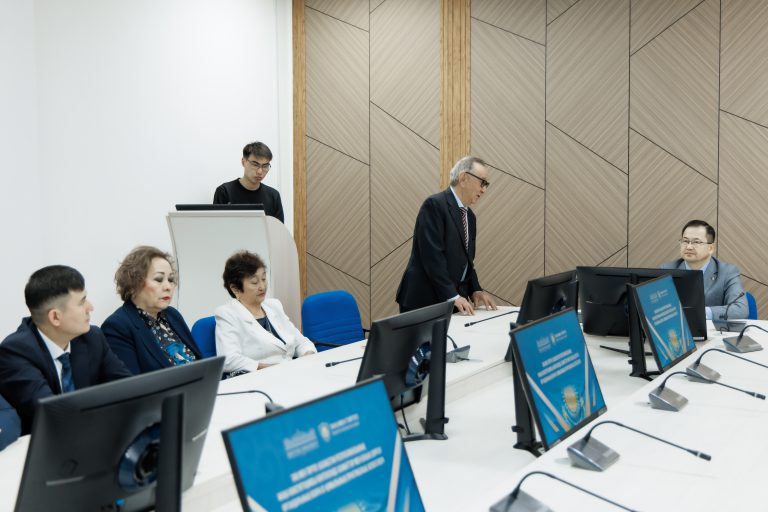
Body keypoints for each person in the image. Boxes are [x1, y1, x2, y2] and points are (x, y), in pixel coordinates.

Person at [0, 266, 131, 434]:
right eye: (82, 302)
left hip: (91, 434)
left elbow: (128, 389)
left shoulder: (92, 338)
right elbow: (54, 416)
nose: (90, 307)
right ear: (55, 317)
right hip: (44, 444)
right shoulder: (15, 353)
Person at [396, 156, 498, 315]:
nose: (484, 190)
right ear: (463, 178)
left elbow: (467, 262)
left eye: (486, 185)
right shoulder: (434, 205)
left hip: (452, 301)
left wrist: (475, 289)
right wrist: (452, 295)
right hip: (424, 302)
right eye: (482, 182)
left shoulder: (470, 216)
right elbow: (432, 257)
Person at [102, 246, 203, 374]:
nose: (168, 286)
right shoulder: (117, 327)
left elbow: (200, 362)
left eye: (171, 279)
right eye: (159, 279)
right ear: (133, 284)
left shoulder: (173, 314)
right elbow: (133, 383)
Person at [215, 250, 315, 375]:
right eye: (254, 282)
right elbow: (228, 360)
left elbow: (300, 341)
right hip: (259, 379)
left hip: (291, 373)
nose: (262, 286)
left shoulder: (274, 305)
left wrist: (308, 355)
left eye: (263, 279)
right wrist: (272, 369)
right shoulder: (227, 314)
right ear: (235, 289)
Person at [661, 219, 748, 321]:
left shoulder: (727, 272)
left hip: (712, 330)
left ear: (711, 248)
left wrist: (701, 313)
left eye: (696, 242)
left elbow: (740, 310)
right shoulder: (667, 270)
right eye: (685, 241)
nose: (689, 247)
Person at [213, 141, 285, 223]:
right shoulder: (224, 192)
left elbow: (279, 229)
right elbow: (217, 226)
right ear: (243, 162)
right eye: (255, 164)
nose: (260, 171)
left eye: (265, 166)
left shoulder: (273, 196)